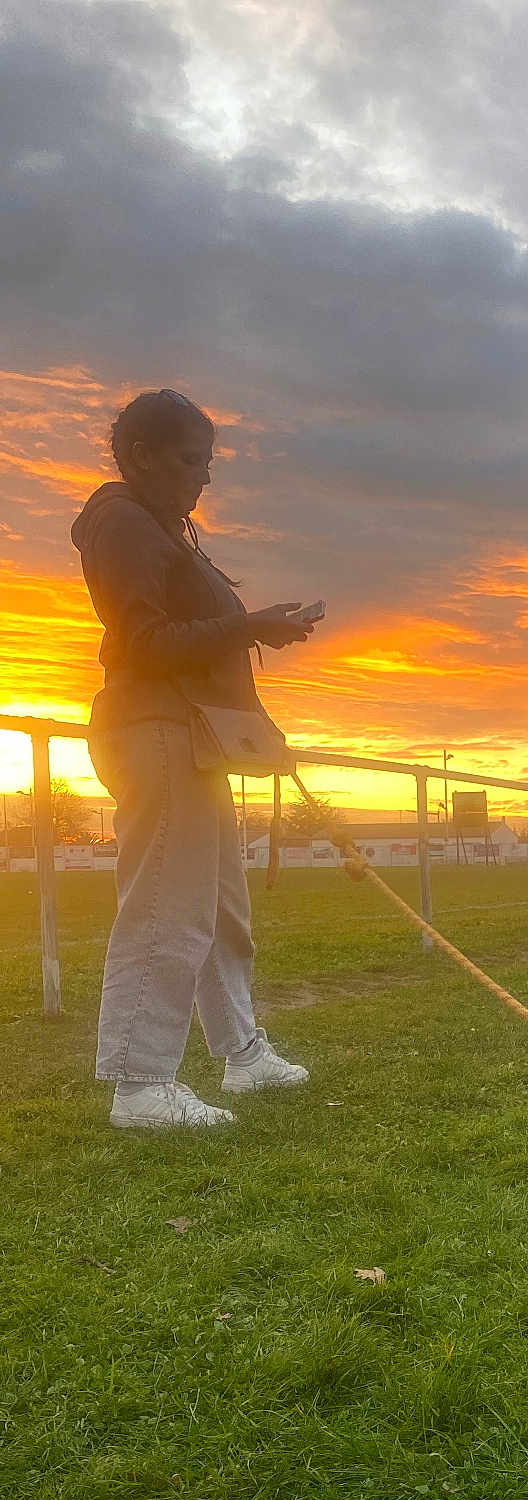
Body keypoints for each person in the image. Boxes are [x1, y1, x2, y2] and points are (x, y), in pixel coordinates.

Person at [74, 387, 320, 1130]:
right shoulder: (120, 524)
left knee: (219, 908)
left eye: (207, 463)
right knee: (166, 905)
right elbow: (143, 645)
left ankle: (242, 1054)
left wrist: (252, 658)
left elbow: (199, 652)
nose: (203, 477)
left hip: (195, 735)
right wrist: (249, 624)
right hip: (154, 730)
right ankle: (141, 1083)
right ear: (141, 456)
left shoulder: (162, 531)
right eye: (190, 460)